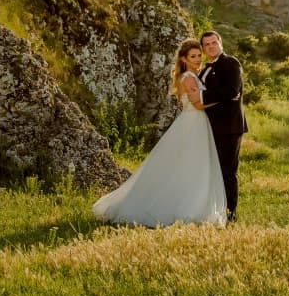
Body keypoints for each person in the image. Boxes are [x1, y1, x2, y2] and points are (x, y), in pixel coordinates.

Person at [92, 39, 227, 227]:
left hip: (196, 122)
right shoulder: (188, 77)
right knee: (191, 164)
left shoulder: (192, 76)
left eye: (199, 56)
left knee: (191, 165)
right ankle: (186, 208)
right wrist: (224, 99)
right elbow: (197, 103)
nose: (197, 60)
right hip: (193, 122)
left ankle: (194, 204)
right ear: (184, 59)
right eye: (193, 56)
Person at [199, 29, 247, 222]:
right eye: (207, 44)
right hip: (209, 127)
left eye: (214, 42)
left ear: (220, 43)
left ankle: (230, 214)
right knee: (213, 171)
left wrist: (202, 97)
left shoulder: (230, 63)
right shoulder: (204, 69)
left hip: (229, 127)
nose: (211, 47)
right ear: (203, 49)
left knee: (228, 171)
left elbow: (232, 90)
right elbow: (224, 93)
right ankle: (214, 211)